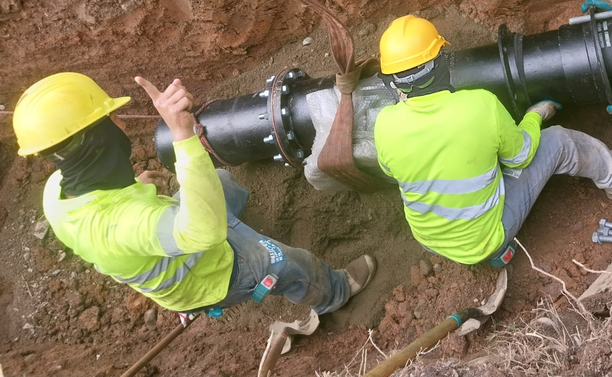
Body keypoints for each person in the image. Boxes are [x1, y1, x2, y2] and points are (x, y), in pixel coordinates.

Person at [12, 72, 376, 317]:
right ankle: (335, 293)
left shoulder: (57, 190)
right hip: (210, 273)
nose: (121, 122)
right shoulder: (124, 224)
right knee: (285, 261)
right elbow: (204, 233)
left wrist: (134, 185)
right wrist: (182, 135)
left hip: (176, 234)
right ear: (96, 141)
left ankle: (237, 226)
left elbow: (112, 211)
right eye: (112, 119)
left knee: (220, 181)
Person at [372, 15, 612, 266]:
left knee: (475, 156)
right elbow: (522, 155)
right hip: (484, 239)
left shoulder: (385, 123)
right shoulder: (479, 105)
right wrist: (535, 115)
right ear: (440, 61)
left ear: (392, 81)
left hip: (430, 241)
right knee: (559, 141)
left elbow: (392, 171)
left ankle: (483, 249)